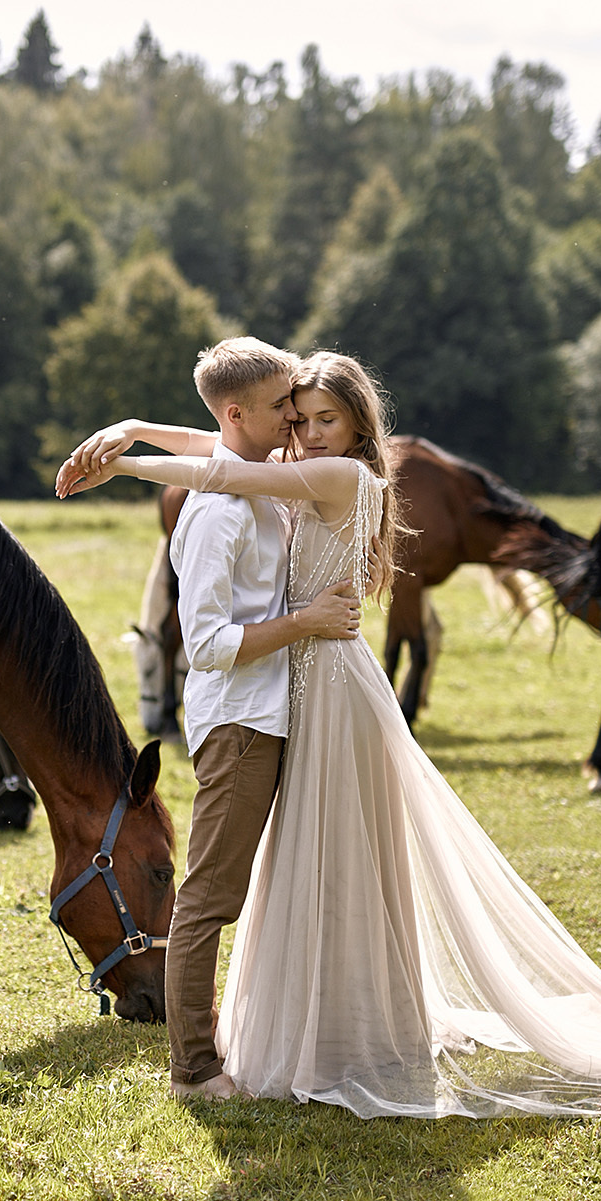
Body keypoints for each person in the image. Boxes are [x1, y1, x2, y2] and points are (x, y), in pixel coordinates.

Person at [57, 351, 601, 1118]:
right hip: (287, 693)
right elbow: (216, 449)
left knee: (332, 862)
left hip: (322, 688)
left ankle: (329, 1033)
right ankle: (283, 1040)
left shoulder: (340, 476)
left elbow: (226, 467)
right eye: (295, 412)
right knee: (304, 866)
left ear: (356, 423)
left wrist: (124, 466)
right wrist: (130, 431)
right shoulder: (298, 463)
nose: (302, 427)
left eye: (320, 417)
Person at [110, 338, 363, 1101]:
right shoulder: (219, 516)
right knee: (210, 894)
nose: (296, 415)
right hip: (240, 722)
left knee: (235, 887)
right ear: (239, 412)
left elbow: (209, 449)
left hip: (272, 712)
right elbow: (211, 645)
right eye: (286, 403)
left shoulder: (261, 481)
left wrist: (132, 431)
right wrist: (309, 619)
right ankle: (192, 1067)